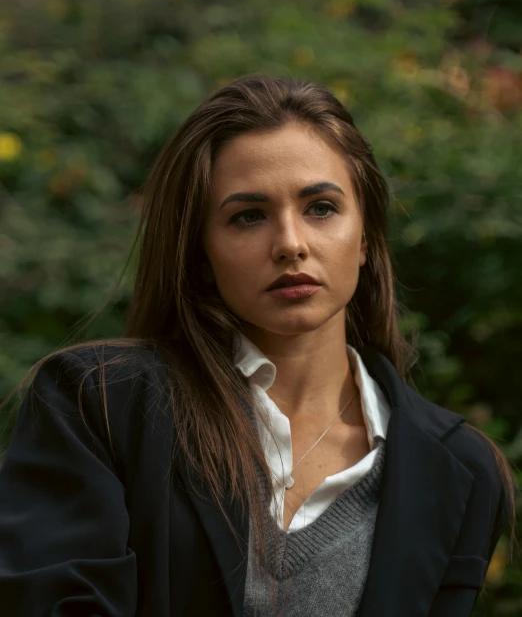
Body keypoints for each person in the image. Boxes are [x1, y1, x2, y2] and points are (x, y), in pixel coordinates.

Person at [0, 74, 516, 617]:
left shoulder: (461, 471)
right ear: (200, 253)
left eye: (321, 208)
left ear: (365, 238)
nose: (291, 244)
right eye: (248, 216)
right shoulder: (100, 404)